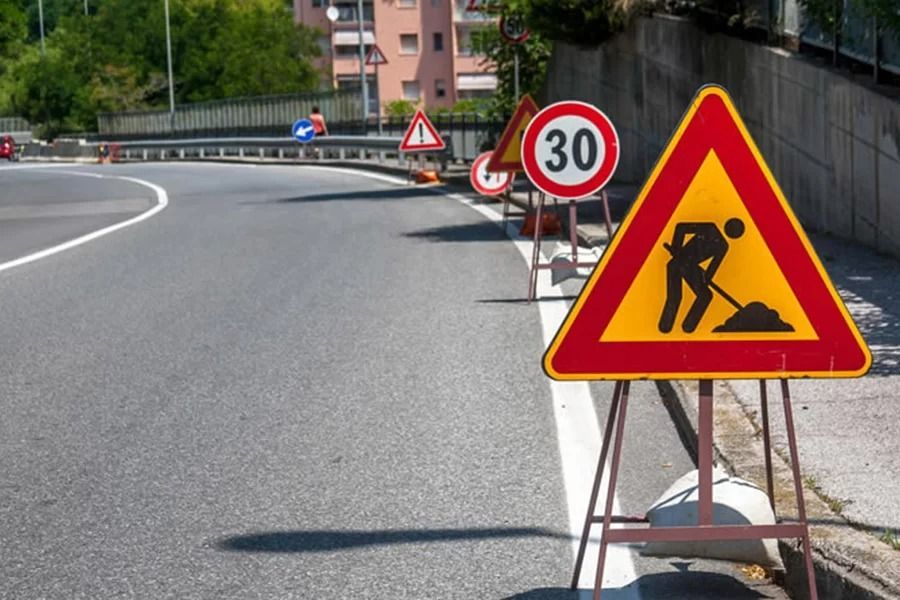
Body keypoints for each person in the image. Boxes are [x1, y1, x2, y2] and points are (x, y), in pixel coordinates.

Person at [658, 218, 745, 334]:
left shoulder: (723, 245)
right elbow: (681, 227)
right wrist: (676, 248)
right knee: (680, 296)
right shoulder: (710, 228)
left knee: (701, 295)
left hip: (686, 267)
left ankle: (684, 327)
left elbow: (712, 268)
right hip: (678, 263)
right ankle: (669, 327)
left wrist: (706, 278)